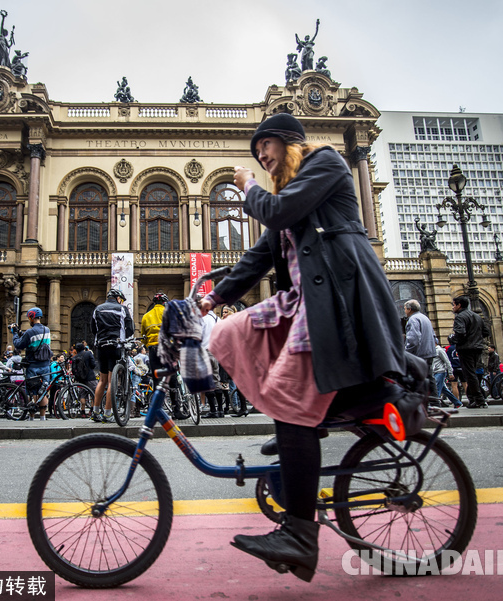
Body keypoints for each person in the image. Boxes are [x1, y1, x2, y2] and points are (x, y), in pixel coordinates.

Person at [203, 113, 406, 582]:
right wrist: (213, 298)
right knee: (227, 333)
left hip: (335, 304)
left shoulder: (326, 163)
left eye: (265, 146)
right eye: (256, 153)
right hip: (304, 303)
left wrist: (247, 185)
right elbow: (259, 255)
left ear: (289, 141)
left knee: (290, 401)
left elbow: (276, 213)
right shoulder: (292, 196)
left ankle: (299, 533)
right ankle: (303, 421)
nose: (261, 156)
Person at [91, 289, 134, 423]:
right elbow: (130, 328)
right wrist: (126, 337)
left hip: (101, 346)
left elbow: (93, 329)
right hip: (116, 346)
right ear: (118, 298)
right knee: (111, 381)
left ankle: (95, 412)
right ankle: (108, 414)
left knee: (102, 380)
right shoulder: (122, 309)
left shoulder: (97, 309)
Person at [141, 292, 183, 417]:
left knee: (157, 381)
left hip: (153, 349)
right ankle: (176, 410)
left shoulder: (146, 316)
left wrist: (148, 344)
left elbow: (143, 336)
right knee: (173, 379)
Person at [448, 296, 490, 409]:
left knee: (469, 374)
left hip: (466, 349)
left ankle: (480, 400)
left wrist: (453, 339)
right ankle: (473, 399)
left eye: (454, 305)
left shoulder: (460, 317)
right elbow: (486, 332)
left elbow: (460, 333)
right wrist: (476, 338)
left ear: (459, 305)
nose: (453, 307)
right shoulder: (477, 316)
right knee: (472, 373)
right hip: (477, 348)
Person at [12, 307, 53, 421]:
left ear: (31, 318)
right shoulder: (47, 330)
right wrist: (22, 334)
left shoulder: (30, 332)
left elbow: (19, 344)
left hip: (33, 366)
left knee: (32, 391)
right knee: (43, 391)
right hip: (45, 365)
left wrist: (15, 333)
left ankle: (31, 417)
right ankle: (42, 417)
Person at [403, 299, 436, 376]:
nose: (404, 311)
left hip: (419, 355)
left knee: (418, 377)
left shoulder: (413, 319)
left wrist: (406, 353)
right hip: (429, 353)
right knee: (429, 377)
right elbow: (434, 336)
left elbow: (413, 340)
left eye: (405, 309)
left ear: (409, 309)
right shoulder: (425, 318)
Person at [432, 339, 462, 408]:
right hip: (435, 372)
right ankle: (457, 402)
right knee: (444, 389)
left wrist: (450, 373)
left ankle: (435, 403)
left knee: (436, 388)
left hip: (440, 371)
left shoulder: (440, 350)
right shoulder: (432, 351)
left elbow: (447, 361)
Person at [70, 342, 97, 415]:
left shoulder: (74, 357)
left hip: (80, 379)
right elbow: (93, 364)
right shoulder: (88, 353)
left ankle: (83, 411)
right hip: (90, 377)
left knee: (83, 394)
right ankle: (92, 410)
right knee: (94, 393)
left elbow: (73, 370)